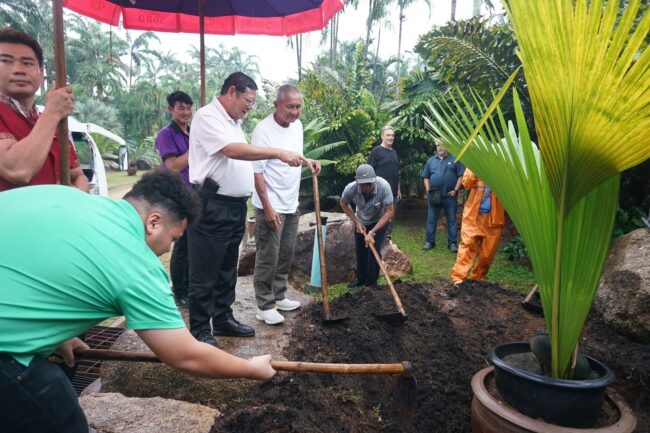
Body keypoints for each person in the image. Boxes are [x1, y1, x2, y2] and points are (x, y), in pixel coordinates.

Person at [0, 170, 276, 433]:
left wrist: (52, 331)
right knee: (61, 415)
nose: (169, 248)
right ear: (153, 222)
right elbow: (185, 355)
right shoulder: (134, 264)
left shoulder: (66, 197)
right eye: (174, 238)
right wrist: (251, 368)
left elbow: (33, 267)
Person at [188, 72, 315, 347]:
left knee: (226, 268)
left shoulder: (234, 121)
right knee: (205, 270)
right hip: (211, 204)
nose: (250, 106)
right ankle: (199, 330)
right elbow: (233, 151)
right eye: (248, 100)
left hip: (233, 205)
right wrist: (277, 152)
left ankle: (222, 318)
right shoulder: (208, 116)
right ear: (231, 91)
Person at [251, 84, 321, 325]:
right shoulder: (262, 130)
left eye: (298, 106)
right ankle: (264, 304)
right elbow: (257, 173)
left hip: (291, 202)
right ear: (276, 105)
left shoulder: (298, 126)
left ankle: (279, 296)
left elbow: (294, 156)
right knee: (267, 255)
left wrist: (308, 161)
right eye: (290, 106)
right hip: (270, 204)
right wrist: (267, 208)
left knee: (285, 252)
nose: (295, 112)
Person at [0, 28, 88, 192]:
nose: (18, 69)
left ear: (41, 74)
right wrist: (53, 112)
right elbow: (18, 169)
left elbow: (77, 174)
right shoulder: (51, 117)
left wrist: (76, 195)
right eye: (6, 61)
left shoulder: (53, 124)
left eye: (27, 63)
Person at [155, 90, 194, 307]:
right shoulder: (166, 135)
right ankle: (180, 292)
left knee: (192, 245)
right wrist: (195, 148)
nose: (186, 112)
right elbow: (173, 166)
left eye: (189, 108)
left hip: (195, 194)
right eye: (181, 108)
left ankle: (189, 287)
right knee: (182, 245)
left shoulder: (192, 132)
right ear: (171, 109)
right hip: (177, 196)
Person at [340, 164, 394, 288]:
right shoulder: (351, 189)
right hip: (361, 220)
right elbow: (343, 203)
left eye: (369, 183)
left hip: (379, 222)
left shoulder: (383, 186)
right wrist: (357, 221)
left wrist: (372, 232)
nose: (367, 187)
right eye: (363, 184)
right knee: (360, 250)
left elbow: (389, 211)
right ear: (357, 181)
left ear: (374, 179)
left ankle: (372, 282)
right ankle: (361, 279)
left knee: (373, 249)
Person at [451, 168, 505, 284]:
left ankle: (477, 279)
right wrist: (475, 170)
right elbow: (466, 183)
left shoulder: (502, 167)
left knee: (487, 254)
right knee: (467, 246)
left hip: (493, 219)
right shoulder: (474, 164)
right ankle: (459, 278)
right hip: (473, 217)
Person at [421, 139, 464, 252]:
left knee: (451, 220)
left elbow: (461, 176)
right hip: (434, 195)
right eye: (437, 145)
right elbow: (426, 177)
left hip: (450, 195)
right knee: (431, 219)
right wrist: (428, 190)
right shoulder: (431, 161)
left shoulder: (455, 159)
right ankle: (429, 242)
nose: (440, 147)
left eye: (442, 145)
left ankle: (453, 243)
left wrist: (455, 190)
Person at [367, 125, 401, 237]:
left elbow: (397, 172)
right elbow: (369, 171)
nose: (390, 137)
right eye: (388, 135)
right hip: (379, 192)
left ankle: (387, 240)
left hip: (393, 191)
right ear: (382, 136)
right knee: (378, 217)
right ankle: (375, 238)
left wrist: (399, 189)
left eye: (392, 135)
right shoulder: (376, 151)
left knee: (390, 217)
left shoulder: (395, 152)